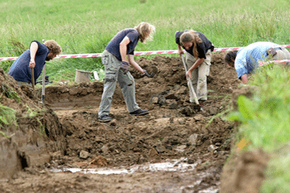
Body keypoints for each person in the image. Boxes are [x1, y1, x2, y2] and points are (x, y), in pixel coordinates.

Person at [98, 22, 156, 123]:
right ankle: (103, 114)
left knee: (129, 81)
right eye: (148, 33)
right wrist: (124, 61)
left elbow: (131, 60)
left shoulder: (134, 39)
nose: (148, 35)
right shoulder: (133, 33)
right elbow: (122, 44)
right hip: (111, 58)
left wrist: (142, 71)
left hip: (117, 60)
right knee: (110, 84)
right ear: (145, 31)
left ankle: (133, 109)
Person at [225, 41, 290, 84]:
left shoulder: (238, 59)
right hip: (285, 52)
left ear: (232, 59)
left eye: (232, 65)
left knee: (268, 86)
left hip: (274, 56)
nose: (233, 67)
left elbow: (244, 79)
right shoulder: (245, 51)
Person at [175, 30, 214, 102]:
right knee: (192, 78)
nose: (186, 48)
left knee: (202, 77)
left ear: (192, 41)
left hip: (204, 55)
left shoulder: (200, 43)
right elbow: (176, 36)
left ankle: (202, 99)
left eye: (188, 45)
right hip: (190, 54)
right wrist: (179, 49)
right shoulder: (180, 36)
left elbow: (202, 58)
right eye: (184, 46)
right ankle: (193, 99)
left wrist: (190, 70)